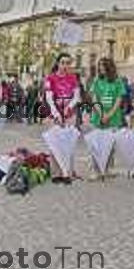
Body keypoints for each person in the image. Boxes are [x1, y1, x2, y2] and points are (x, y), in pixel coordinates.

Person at [44, 53, 81, 183]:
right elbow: (49, 98)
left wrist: (68, 108)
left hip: (69, 115)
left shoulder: (73, 78)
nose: (65, 66)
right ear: (58, 64)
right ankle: (56, 174)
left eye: (68, 63)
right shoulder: (50, 78)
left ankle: (67, 173)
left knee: (68, 144)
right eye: (63, 62)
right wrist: (56, 114)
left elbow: (76, 96)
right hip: (54, 114)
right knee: (54, 144)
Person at [88, 57, 126, 178]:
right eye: (99, 66)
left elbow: (119, 100)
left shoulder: (118, 81)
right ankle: (96, 170)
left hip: (113, 118)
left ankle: (107, 169)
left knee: (110, 145)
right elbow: (94, 99)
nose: (101, 68)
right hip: (98, 118)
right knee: (96, 144)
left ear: (109, 67)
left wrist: (109, 114)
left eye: (103, 66)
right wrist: (101, 114)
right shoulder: (97, 81)